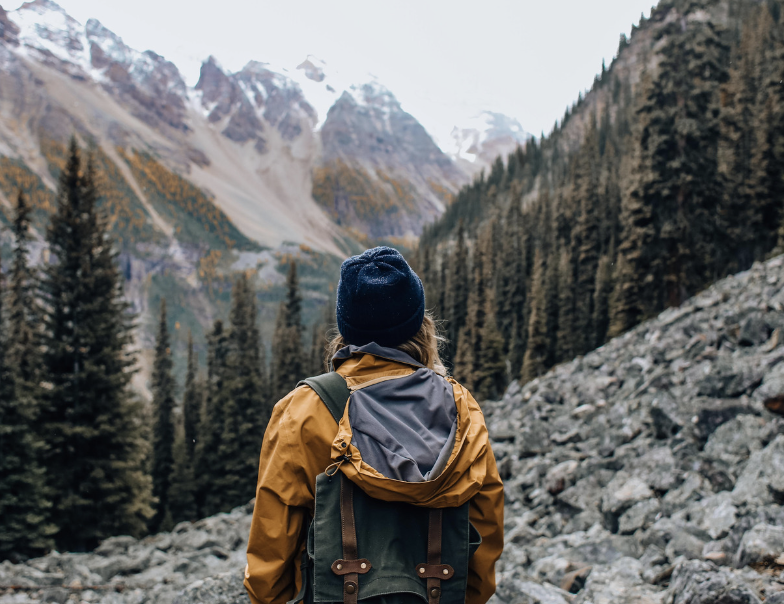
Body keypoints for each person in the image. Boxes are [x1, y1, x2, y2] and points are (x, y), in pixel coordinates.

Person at [244, 246, 504, 604]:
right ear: (420, 325)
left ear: (346, 328)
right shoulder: (461, 408)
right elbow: (484, 527)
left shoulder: (303, 410)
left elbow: (272, 549)